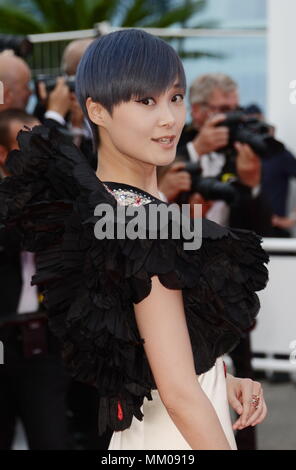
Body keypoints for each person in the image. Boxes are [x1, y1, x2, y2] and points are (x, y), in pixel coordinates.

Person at [0, 29, 268, 450]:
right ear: (97, 110)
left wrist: (218, 375)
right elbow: (178, 394)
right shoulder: (141, 221)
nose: (169, 118)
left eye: (175, 97)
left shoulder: (110, 206)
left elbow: (148, 354)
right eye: (146, 101)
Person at [0, 109, 71, 449]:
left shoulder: (54, 196)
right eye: (28, 145)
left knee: (53, 439)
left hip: (43, 342)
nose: (41, 155)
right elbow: (16, 233)